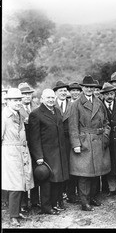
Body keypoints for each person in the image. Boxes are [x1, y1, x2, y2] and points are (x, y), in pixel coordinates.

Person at [68, 75, 111, 211]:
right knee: (84, 174)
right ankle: (84, 201)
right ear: (82, 88)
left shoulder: (99, 102)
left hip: (98, 142)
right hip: (84, 141)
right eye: (86, 87)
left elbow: (106, 123)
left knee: (95, 173)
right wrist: (76, 144)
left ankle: (92, 197)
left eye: (91, 87)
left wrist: (105, 136)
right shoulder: (76, 104)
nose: (89, 89)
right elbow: (73, 126)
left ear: (94, 89)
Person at [28, 89, 69, 214]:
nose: (51, 100)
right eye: (48, 98)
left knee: (57, 180)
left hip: (59, 153)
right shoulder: (36, 114)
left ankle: (54, 203)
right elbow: (34, 138)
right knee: (46, 181)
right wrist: (38, 156)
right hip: (46, 154)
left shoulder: (57, 111)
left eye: (52, 97)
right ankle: (46, 207)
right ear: (42, 99)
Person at [2, 88, 35, 227]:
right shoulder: (4, 116)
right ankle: (13, 216)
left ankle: (19, 210)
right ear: (8, 101)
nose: (18, 103)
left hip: (22, 150)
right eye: (15, 100)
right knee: (14, 185)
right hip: (10, 152)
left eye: (19, 100)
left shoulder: (20, 114)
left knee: (23, 182)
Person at [53, 81, 78, 205]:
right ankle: (59, 194)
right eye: (60, 91)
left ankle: (71, 193)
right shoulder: (52, 105)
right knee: (59, 166)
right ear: (56, 93)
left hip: (69, 140)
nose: (63, 93)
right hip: (56, 141)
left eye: (64, 90)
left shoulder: (72, 105)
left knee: (71, 166)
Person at [18, 82, 40, 212]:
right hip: (23, 146)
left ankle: (36, 201)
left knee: (36, 173)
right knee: (23, 174)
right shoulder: (17, 109)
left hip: (36, 145)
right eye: (24, 94)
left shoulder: (36, 107)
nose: (26, 97)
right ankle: (24, 203)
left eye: (28, 94)